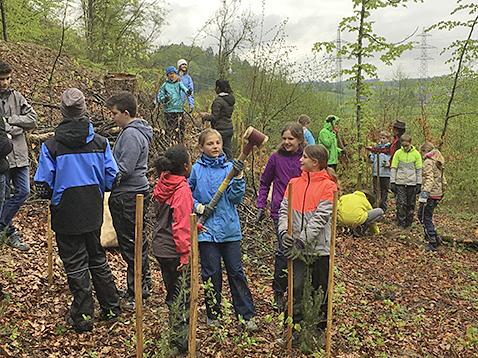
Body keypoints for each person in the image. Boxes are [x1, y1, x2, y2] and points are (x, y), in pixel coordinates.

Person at [34, 88, 121, 333]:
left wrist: (59, 194)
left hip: (66, 212)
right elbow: (111, 177)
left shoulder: (51, 147)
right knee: (96, 258)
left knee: (75, 263)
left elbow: (42, 185)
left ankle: (83, 317)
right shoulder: (101, 143)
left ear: (62, 112)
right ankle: (111, 306)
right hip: (92, 209)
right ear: (84, 110)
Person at [188, 128, 257, 331]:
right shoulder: (196, 170)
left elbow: (236, 198)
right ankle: (213, 314)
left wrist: (238, 177)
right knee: (211, 273)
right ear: (201, 147)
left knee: (236, 272)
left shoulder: (230, 167)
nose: (215, 146)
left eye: (218, 142)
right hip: (206, 231)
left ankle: (246, 315)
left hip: (229, 229)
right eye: (210, 143)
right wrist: (197, 206)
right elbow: (186, 193)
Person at [278, 144, 338, 339]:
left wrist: (301, 241)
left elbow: (321, 217)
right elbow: (283, 210)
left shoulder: (329, 186)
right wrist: (283, 234)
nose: (300, 160)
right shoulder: (294, 183)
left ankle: (319, 329)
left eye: (304, 157)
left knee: (320, 290)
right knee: (296, 288)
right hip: (296, 248)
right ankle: (295, 329)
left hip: (319, 248)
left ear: (316, 162)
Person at [106, 91, 153, 310]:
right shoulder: (131, 132)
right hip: (132, 193)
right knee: (136, 243)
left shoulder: (132, 135)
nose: (112, 117)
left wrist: (105, 179)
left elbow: (124, 168)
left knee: (131, 245)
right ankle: (142, 286)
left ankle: (137, 292)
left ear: (126, 113)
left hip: (128, 195)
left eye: (115, 113)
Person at [255, 122, 304, 311]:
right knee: (283, 251)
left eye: (291, 139)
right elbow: (264, 182)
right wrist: (261, 205)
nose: (286, 142)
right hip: (279, 211)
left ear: (299, 140)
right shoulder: (275, 158)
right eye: (284, 138)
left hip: (302, 211)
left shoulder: (305, 159)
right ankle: (278, 292)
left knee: (299, 250)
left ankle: (297, 292)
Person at [152, 144, 194, 353]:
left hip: (161, 246)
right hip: (174, 250)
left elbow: (174, 219)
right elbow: (180, 224)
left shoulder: (164, 182)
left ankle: (175, 336)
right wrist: (186, 254)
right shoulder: (182, 189)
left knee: (172, 293)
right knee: (181, 296)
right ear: (186, 167)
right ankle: (179, 341)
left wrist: (196, 225)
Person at [0, 60, 37, 251]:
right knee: (4, 196)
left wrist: (11, 122)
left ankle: (2, 226)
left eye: (7, 78)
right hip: (2, 158)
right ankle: (10, 232)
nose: (5, 83)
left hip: (20, 155)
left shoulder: (17, 97)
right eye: (1, 79)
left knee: (23, 192)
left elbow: (32, 119)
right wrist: (12, 127)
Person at [418, 142, 446, 252]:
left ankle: (432, 242)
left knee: (424, 217)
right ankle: (435, 237)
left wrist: (424, 194)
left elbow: (429, 179)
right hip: (437, 194)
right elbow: (443, 180)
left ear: (425, 151)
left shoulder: (428, 162)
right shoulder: (438, 161)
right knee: (426, 216)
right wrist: (442, 192)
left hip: (430, 194)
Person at [390, 134, 422, 229]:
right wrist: (392, 182)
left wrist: (419, 183)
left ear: (410, 143)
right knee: (401, 203)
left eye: (406, 146)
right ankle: (401, 222)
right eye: (403, 145)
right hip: (400, 182)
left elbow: (419, 170)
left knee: (411, 203)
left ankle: (409, 223)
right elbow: (393, 168)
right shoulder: (398, 153)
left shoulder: (416, 154)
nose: (405, 147)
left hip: (412, 183)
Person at [199, 79, 235, 159]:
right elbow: (223, 115)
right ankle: (231, 169)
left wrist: (204, 116)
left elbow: (214, 117)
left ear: (218, 88)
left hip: (220, 130)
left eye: (216, 87)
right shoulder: (230, 100)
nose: (215, 89)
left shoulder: (218, 101)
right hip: (229, 129)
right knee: (228, 153)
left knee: (217, 153)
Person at [156, 66, 191, 143]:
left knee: (181, 130)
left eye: (174, 73)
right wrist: (165, 98)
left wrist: (188, 92)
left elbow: (185, 89)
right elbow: (159, 97)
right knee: (169, 129)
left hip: (179, 110)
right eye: (170, 74)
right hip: (168, 111)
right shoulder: (165, 85)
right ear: (167, 75)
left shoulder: (179, 83)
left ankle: (180, 144)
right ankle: (168, 144)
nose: (172, 75)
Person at [368, 131, 391, 211]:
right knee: (376, 189)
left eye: (384, 138)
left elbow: (391, 159)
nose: (381, 140)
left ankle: (383, 206)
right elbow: (372, 159)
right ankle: (376, 205)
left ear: (388, 139)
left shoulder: (389, 148)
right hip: (376, 172)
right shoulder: (376, 148)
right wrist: (370, 155)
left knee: (384, 190)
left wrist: (388, 163)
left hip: (385, 174)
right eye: (381, 138)